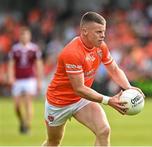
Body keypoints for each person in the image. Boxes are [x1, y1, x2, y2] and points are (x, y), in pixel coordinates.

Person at [43, 11, 144, 146]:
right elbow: (79, 88)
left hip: (81, 100)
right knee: (53, 142)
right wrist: (109, 100)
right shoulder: (72, 53)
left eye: (103, 31)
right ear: (84, 31)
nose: (102, 36)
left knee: (104, 130)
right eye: (98, 32)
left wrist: (128, 87)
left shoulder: (100, 46)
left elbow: (114, 69)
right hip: (59, 102)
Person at [8, 26, 43, 134]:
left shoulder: (34, 49)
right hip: (18, 79)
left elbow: (38, 64)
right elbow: (11, 64)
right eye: (23, 35)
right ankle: (22, 121)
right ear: (20, 37)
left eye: (26, 35)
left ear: (29, 36)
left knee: (28, 102)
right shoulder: (15, 49)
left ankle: (27, 125)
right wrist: (10, 77)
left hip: (29, 79)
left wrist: (39, 80)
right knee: (17, 105)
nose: (25, 37)